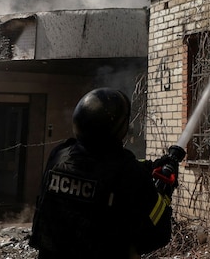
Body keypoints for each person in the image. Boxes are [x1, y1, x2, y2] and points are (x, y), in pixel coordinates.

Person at [29, 88, 176, 259]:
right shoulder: (128, 171)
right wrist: (164, 191)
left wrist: (149, 166)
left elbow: (99, 167)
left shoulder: (59, 156)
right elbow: (156, 237)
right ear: (119, 129)